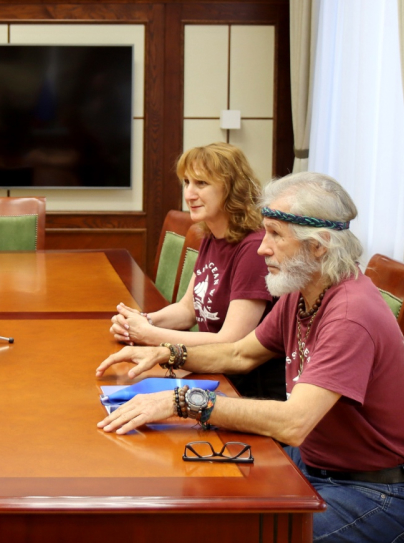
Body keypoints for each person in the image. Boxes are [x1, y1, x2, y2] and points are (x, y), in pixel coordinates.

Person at [97, 172, 404, 543]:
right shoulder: (303, 292)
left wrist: (183, 401)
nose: (262, 248)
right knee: (199, 498)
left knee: (233, 532)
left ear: (318, 246)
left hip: (370, 489)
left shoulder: (350, 315)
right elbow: (241, 353)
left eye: (275, 234)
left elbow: (294, 423)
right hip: (314, 462)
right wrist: (169, 353)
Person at [111, 143, 283, 399]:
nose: (189, 194)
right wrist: (140, 322)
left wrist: (150, 335)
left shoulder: (253, 248)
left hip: (245, 389)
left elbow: (231, 341)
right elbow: (187, 310)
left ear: (232, 188)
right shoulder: (212, 235)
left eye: (201, 183)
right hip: (212, 371)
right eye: (187, 182)